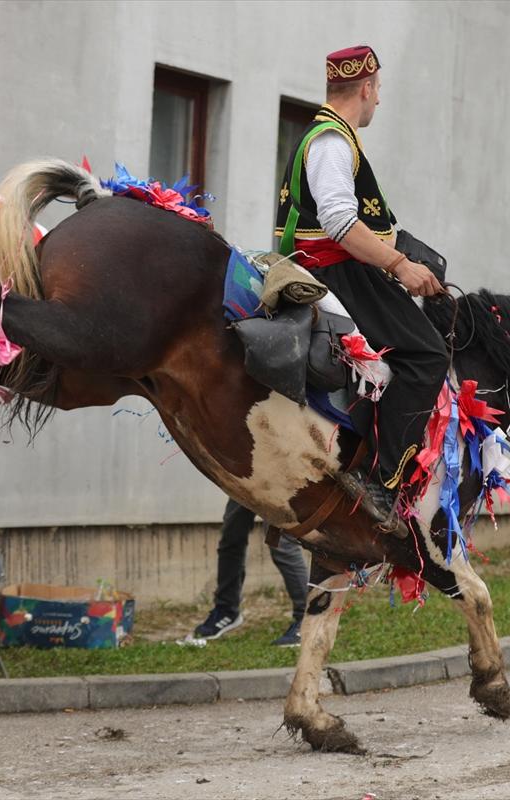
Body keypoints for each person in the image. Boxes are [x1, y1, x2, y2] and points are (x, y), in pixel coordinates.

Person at [273, 45, 447, 509]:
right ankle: (385, 484)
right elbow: (339, 222)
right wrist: (400, 265)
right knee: (428, 355)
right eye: (379, 91)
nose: (379, 101)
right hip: (338, 271)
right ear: (367, 88)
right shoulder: (332, 140)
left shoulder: (324, 134)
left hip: (333, 266)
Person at [193, 499, 308, 646]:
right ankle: (226, 610)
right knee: (231, 537)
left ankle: (306, 618)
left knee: (281, 543)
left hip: (278, 481)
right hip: (244, 479)